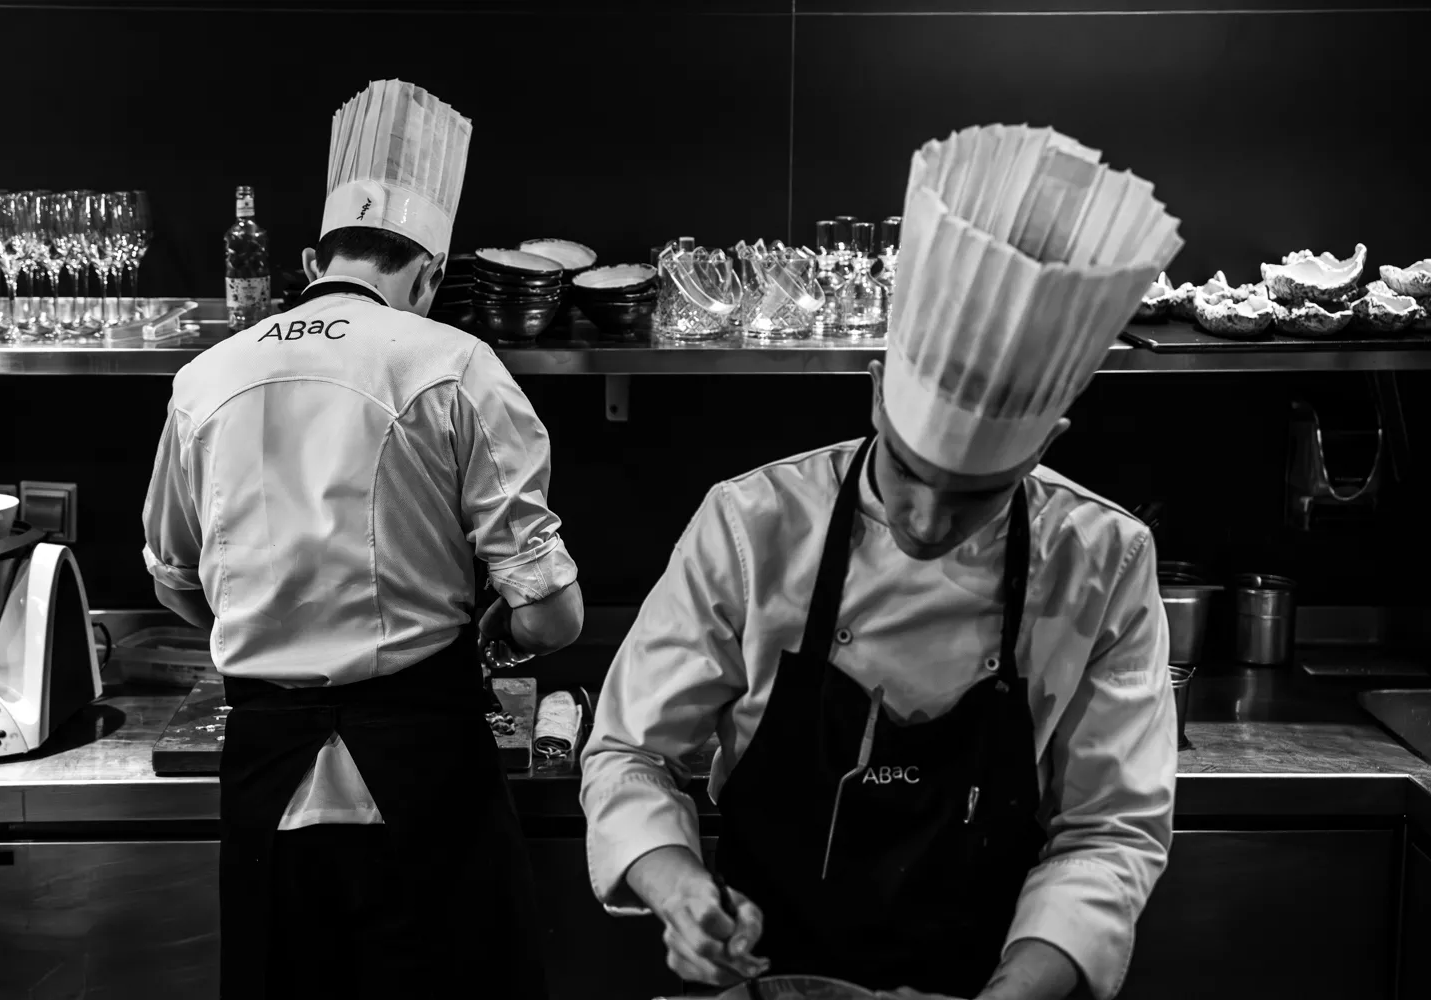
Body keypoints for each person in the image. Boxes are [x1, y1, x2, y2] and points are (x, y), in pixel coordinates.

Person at [579, 126, 1185, 1000]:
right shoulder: (752, 524)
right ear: (874, 393)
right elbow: (631, 752)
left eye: (975, 495)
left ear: (1045, 446)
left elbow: (1109, 830)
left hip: (987, 979)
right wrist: (678, 893)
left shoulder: (1101, 555)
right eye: (907, 470)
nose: (926, 520)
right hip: (768, 974)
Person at [141, 79, 581, 1000]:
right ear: (430, 273)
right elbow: (553, 620)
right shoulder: (455, 365)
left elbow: (175, 582)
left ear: (311, 257)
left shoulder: (204, 379)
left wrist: (261, 609)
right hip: (428, 768)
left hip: (267, 770)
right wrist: (498, 630)